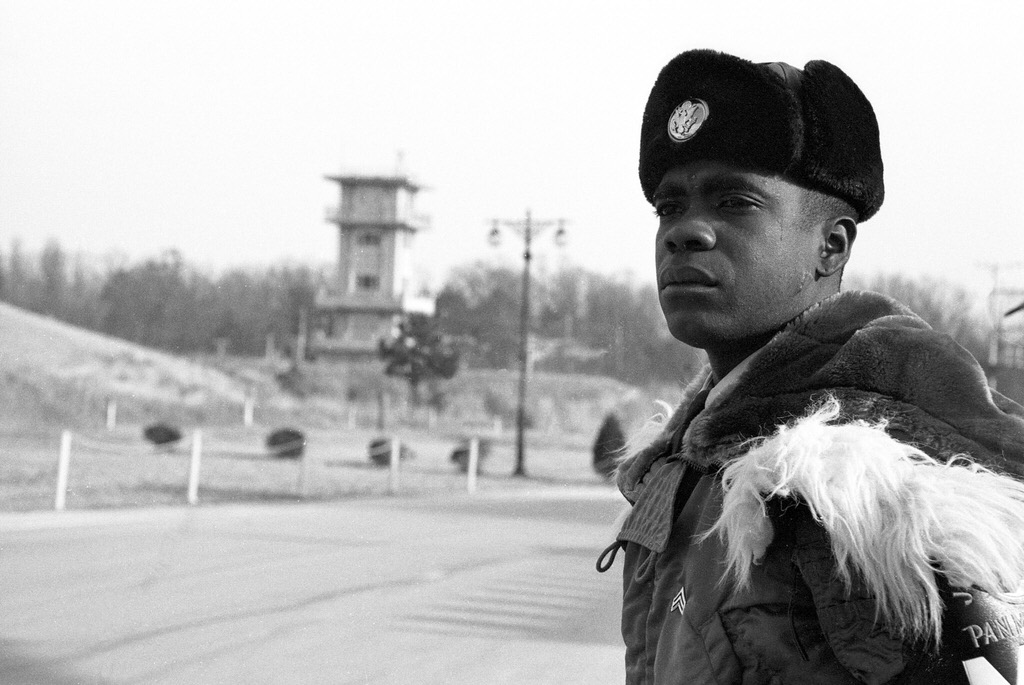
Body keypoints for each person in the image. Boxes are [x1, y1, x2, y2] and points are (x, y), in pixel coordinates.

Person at [597, 48, 1024, 684]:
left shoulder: (880, 485)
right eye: (670, 207)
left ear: (831, 245)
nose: (685, 231)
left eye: (735, 201)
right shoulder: (700, 452)